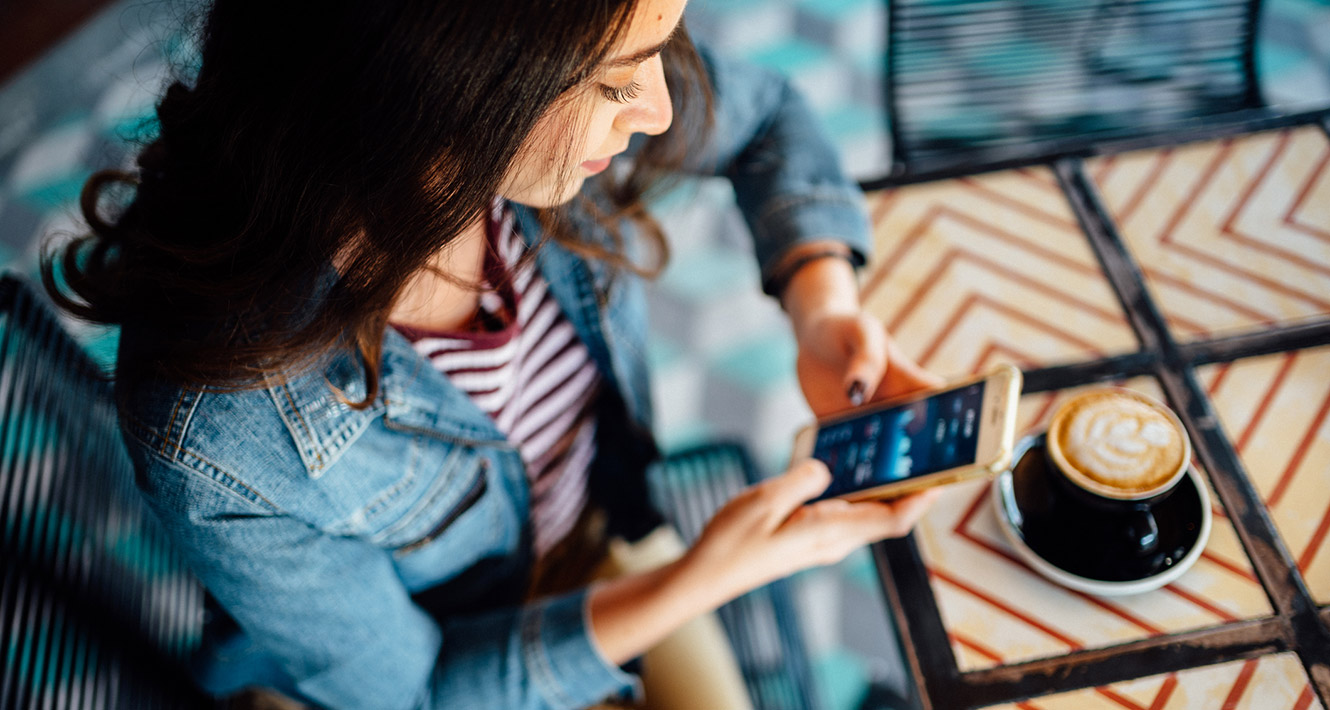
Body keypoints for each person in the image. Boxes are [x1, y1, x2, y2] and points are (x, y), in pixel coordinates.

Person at [43, 0, 942, 708]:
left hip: (595, 549)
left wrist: (822, 306)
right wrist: (700, 579)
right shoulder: (223, 430)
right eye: (616, 80)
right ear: (454, 81)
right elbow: (416, 692)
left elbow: (764, 115)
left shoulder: (513, 146)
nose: (659, 106)